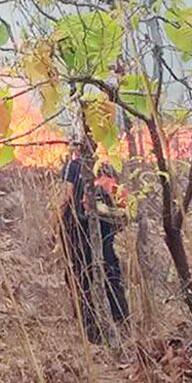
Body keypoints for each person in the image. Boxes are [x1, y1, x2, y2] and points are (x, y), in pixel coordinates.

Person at [59, 139, 128, 343]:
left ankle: (90, 328)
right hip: (105, 228)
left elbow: (65, 197)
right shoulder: (107, 165)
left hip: (79, 228)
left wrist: (57, 225)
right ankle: (121, 319)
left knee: (81, 276)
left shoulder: (73, 165)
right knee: (110, 271)